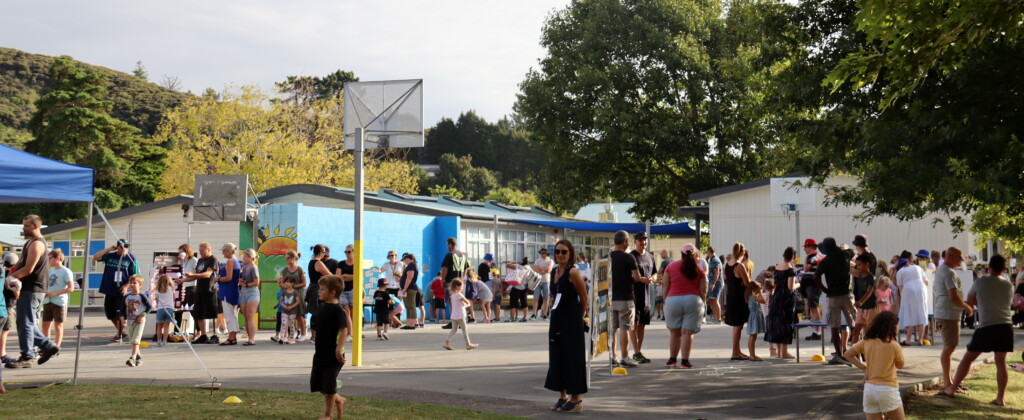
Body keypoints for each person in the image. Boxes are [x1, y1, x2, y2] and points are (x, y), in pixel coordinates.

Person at [939, 254, 1014, 406]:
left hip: (987, 325)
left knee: (968, 358)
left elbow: (970, 301)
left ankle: (952, 388)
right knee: (1001, 362)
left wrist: (974, 307)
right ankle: (1000, 398)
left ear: (990, 267)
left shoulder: (980, 282)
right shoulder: (1008, 285)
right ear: (1004, 268)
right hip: (1006, 326)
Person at [5, 215, 60, 368]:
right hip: (29, 288)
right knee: (25, 322)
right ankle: (48, 346)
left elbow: (28, 269)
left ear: (36, 227)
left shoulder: (37, 244)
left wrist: (10, 278)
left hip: (33, 288)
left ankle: (27, 357)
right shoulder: (30, 242)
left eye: (26, 226)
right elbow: (22, 264)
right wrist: (12, 273)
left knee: (26, 323)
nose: (23, 229)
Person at [544, 239, 589, 413]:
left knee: (573, 358)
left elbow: (583, 296)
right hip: (556, 319)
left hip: (571, 320)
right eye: (557, 251)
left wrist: (579, 317)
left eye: (564, 252)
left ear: (570, 254)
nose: (560, 255)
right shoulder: (555, 270)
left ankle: (576, 398)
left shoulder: (573, 272)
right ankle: (562, 395)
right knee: (557, 356)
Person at [843, 311, 906, 420]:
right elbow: (900, 365)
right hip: (888, 388)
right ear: (892, 327)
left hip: (869, 389)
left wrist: (864, 368)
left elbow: (847, 354)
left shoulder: (866, 341)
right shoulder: (894, 345)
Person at [933, 247, 972, 393]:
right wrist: (967, 307)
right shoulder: (948, 272)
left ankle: (950, 381)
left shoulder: (944, 270)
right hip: (948, 313)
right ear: (950, 257)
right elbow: (953, 296)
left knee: (950, 347)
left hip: (947, 312)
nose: (961, 260)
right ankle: (948, 383)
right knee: (949, 348)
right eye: (959, 257)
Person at [310, 275, 349, 419]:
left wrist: (339, 348)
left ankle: (328, 415)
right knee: (318, 384)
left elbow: (344, 329)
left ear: (332, 292)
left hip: (333, 354)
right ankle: (339, 400)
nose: (319, 291)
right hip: (320, 353)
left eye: (322, 289)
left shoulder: (338, 310)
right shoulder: (322, 306)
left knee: (329, 385)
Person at [662, 243, 706, 368]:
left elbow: (666, 286)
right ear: (694, 254)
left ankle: (672, 360)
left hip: (673, 300)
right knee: (688, 333)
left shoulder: (671, 266)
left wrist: (666, 302)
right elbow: (703, 290)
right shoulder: (699, 269)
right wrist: (703, 303)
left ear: (681, 253)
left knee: (674, 332)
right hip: (693, 300)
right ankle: (685, 361)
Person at [814, 237, 855, 365]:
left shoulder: (825, 261)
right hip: (847, 294)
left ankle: (839, 354)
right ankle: (858, 351)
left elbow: (816, 277)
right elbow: (851, 251)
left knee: (834, 326)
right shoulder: (845, 255)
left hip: (833, 296)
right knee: (854, 324)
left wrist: (825, 290)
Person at [609, 230, 647, 367]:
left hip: (610, 297)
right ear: (625, 242)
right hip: (626, 297)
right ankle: (625, 357)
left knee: (612, 328)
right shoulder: (629, 258)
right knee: (624, 328)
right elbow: (636, 278)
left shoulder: (607, 257)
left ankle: (613, 356)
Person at [92, 237, 140, 343]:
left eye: (127, 247)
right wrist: (109, 249)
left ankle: (119, 334)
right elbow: (95, 257)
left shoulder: (131, 258)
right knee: (110, 314)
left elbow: (135, 276)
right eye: (123, 247)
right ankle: (121, 331)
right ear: (118, 247)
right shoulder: (110, 256)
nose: (125, 249)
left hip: (122, 291)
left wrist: (126, 286)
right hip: (109, 289)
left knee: (120, 314)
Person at [184, 242, 220, 344]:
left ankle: (214, 335)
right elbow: (194, 275)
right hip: (199, 289)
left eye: (203, 251)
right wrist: (183, 280)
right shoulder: (200, 260)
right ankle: (203, 335)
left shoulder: (213, 260)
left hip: (209, 289)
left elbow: (208, 274)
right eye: (200, 252)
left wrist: (192, 274)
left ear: (208, 250)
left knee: (210, 312)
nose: (201, 253)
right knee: (198, 313)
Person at [629, 232, 657, 364]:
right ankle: (636, 352)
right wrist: (641, 279)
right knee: (633, 325)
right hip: (633, 296)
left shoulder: (650, 257)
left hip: (647, 296)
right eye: (640, 240)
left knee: (642, 326)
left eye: (645, 240)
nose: (643, 242)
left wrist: (653, 278)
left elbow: (655, 273)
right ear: (635, 241)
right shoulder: (631, 257)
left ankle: (638, 351)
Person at [765, 247, 798, 359]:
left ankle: (779, 352)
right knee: (785, 324)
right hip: (786, 299)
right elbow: (791, 287)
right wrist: (799, 284)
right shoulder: (791, 269)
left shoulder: (777, 268)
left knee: (777, 323)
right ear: (793, 256)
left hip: (777, 297)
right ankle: (785, 352)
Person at [725, 242, 753, 360]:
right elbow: (748, 283)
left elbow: (727, 279)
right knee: (738, 326)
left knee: (736, 326)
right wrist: (743, 281)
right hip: (739, 298)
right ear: (742, 253)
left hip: (731, 296)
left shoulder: (727, 265)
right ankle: (735, 352)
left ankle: (737, 350)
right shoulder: (739, 266)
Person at [41, 249, 73, 348]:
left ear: (57, 258)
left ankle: (56, 347)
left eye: (50, 258)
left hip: (59, 302)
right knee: (45, 324)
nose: (48, 261)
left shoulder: (66, 271)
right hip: (47, 301)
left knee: (58, 325)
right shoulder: (50, 271)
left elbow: (71, 288)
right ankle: (47, 346)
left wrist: (54, 293)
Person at [895, 256, 928, 345]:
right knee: (921, 314)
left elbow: (900, 287)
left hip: (908, 289)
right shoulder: (918, 267)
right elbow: (926, 281)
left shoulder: (900, 271)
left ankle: (908, 340)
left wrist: (903, 300)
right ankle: (920, 340)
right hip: (921, 289)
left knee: (909, 314)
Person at [440, 237, 470, 328]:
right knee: (459, 302)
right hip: (460, 282)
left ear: (450, 244)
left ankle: (454, 322)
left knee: (452, 301)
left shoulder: (449, 255)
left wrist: (442, 280)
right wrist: (462, 280)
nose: (447, 247)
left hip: (451, 282)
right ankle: (460, 321)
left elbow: (445, 269)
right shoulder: (464, 255)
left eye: (447, 245)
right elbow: (465, 269)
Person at [121, 274, 151, 367]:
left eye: (135, 283)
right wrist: (123, 320)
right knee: (133, 342)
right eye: (131, 283)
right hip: (130, 321)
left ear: (140, 285)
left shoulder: (141, 296)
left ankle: (132, 357)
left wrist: (142, 316)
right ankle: (139, 358)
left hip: (139, 321)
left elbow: (149, 307)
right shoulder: (126, 297)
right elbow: (122, 309)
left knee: (136, 340)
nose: (132, 285)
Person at [277, 251, 306, 343]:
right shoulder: (285, 270)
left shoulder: (300, 269)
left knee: (299, 314)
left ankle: (303, 333)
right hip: (288, 294)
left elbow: (304, 283)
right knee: (287, 314)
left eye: (288, 258)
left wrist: (293, 286)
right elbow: (282, 280)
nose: (286, 260)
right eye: (286, 258)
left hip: (298, 293)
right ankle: (287, 335)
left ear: (294, 258)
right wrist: (283, 285)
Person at [442, 278, 479, 350]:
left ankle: (447, 342)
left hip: (454, 316)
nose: (462, 288)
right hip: (460, 315)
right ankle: (468, 344)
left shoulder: (452, 295)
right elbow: (468, 303)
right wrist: (465, 305)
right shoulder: (460, 295)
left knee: (454, 329)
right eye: (461, 286)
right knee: (464, 330)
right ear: (457, 286)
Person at [217, 243, 242, 346]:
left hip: (227, 291)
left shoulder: (230, 262)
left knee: (229, 315)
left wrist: (217, 279)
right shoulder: (236, 261)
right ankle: (233, 336)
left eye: (224, 251)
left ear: (228, 251)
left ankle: (231, 337)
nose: (223, 253)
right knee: (233, 314)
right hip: (234, 290)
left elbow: (228, 277)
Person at [851, 254, 879, 345]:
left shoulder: (871, 277)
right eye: (857, 265)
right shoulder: (858, 276)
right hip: (861, 308)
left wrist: (861, 301)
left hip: (870, 307)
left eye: (859, 265)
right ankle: (854, 351)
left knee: (869, 331)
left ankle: (869, 350)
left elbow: (869, 291)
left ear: (867, 265)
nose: (857, 267)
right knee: (856, 330)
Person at [800, 238, 824, 340]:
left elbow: (806, 268)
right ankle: (815, 330)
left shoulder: (813, 257)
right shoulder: (815, 256)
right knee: (812, 308)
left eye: (805, 247)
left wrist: (806, 260)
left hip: (812, 284)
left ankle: (817, 331)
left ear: (810, 247)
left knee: (814, 308)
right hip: (810, 284)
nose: (804, 249)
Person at [306, 245, 330, 341]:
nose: (325, 255)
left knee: (314, 312)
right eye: (324, 253)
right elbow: (329, 275)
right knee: (318, 312)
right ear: (320, 252)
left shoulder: (311, 261)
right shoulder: (318, 263)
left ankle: (314, 335)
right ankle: (316, 335)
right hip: (317, 289)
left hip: (312, 287)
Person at [333, 245, 357, 340]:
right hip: (343, 290)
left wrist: (346, 276)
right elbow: (338, 276)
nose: (347, 254)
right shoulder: (341, 263)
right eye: (345, 252)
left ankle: (355, 331)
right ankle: (349, 334)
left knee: (353, 312)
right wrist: (350, 276)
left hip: (353, 290)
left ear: (354, 252)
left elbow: (358, 276)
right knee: (346, 312)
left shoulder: (357, 263)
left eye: (349, 252)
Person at [238, 248, 260, 346]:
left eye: (245, 256)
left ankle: (252, 339)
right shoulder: (245, 267)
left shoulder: (254, 268)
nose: (243, 257)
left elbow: (256, 282)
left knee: (250, 316)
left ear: (251, 257)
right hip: (244, 292)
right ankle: (248, 336)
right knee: (246, 316)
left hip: (252, 293)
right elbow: (244, 279)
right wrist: (241, 281)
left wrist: (246, 285)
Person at [1, 253, 19, 366]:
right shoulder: (13, 276)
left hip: (4, 304)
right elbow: (16, 294)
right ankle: (2, 354)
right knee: (5, 331)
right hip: (6, 306)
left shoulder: (2, 272)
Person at [153, 274, 175, 347]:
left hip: (160, 308)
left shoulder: (158, 290)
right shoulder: (171, 289)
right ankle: (165, 341)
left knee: (159, 326)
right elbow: (174, 298)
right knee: (166, 326)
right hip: (169, 308)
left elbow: (156, 299)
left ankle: (159, 340)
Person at [399, 253, 420, 330]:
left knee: (411, 306)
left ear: (408, 258)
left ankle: (412, 324)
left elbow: (409, 277)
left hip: (409, 288)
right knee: (408, 307)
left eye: (404, 260)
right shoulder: (412, 265)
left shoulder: (411, 265)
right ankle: (409, 323)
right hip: (408, 288)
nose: (404, 261)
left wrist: (404, 288)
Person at [278, 276, 301, 344]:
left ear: (292, 283)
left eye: (288, 282)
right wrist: (283, 305)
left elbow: (297, 302)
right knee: (283, 323)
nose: (286, 283)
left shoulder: (295, 292)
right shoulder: (284, 292)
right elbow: (282, 301)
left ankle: (291, 338)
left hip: (292, 311)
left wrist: (291, 307)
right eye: (285, 282)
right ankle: (282, 338)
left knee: (291, 324)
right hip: (284, 311)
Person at [532, 248, 553, 320]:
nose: (542, 254)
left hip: (546, 281)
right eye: (541, 253)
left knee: (546, 299)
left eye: (543, 253)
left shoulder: (550, 260)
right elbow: (535, 269)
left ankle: (544, 314)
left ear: (546, 254)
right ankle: (534, 314)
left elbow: (549, 269)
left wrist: (540, 269)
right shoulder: (537, 260)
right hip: (538, 281)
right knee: (536, 298)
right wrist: (543, 269)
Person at [705, 247, 723, 323]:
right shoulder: (711, 259)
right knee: (711, 300)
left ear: (709, 252)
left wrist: (713, 283)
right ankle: (716, 318)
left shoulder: (715, 260)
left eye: (707, 252)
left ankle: (718, 319)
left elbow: (717, 272)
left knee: (715, 300)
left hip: (716, 283)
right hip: (713, 282)